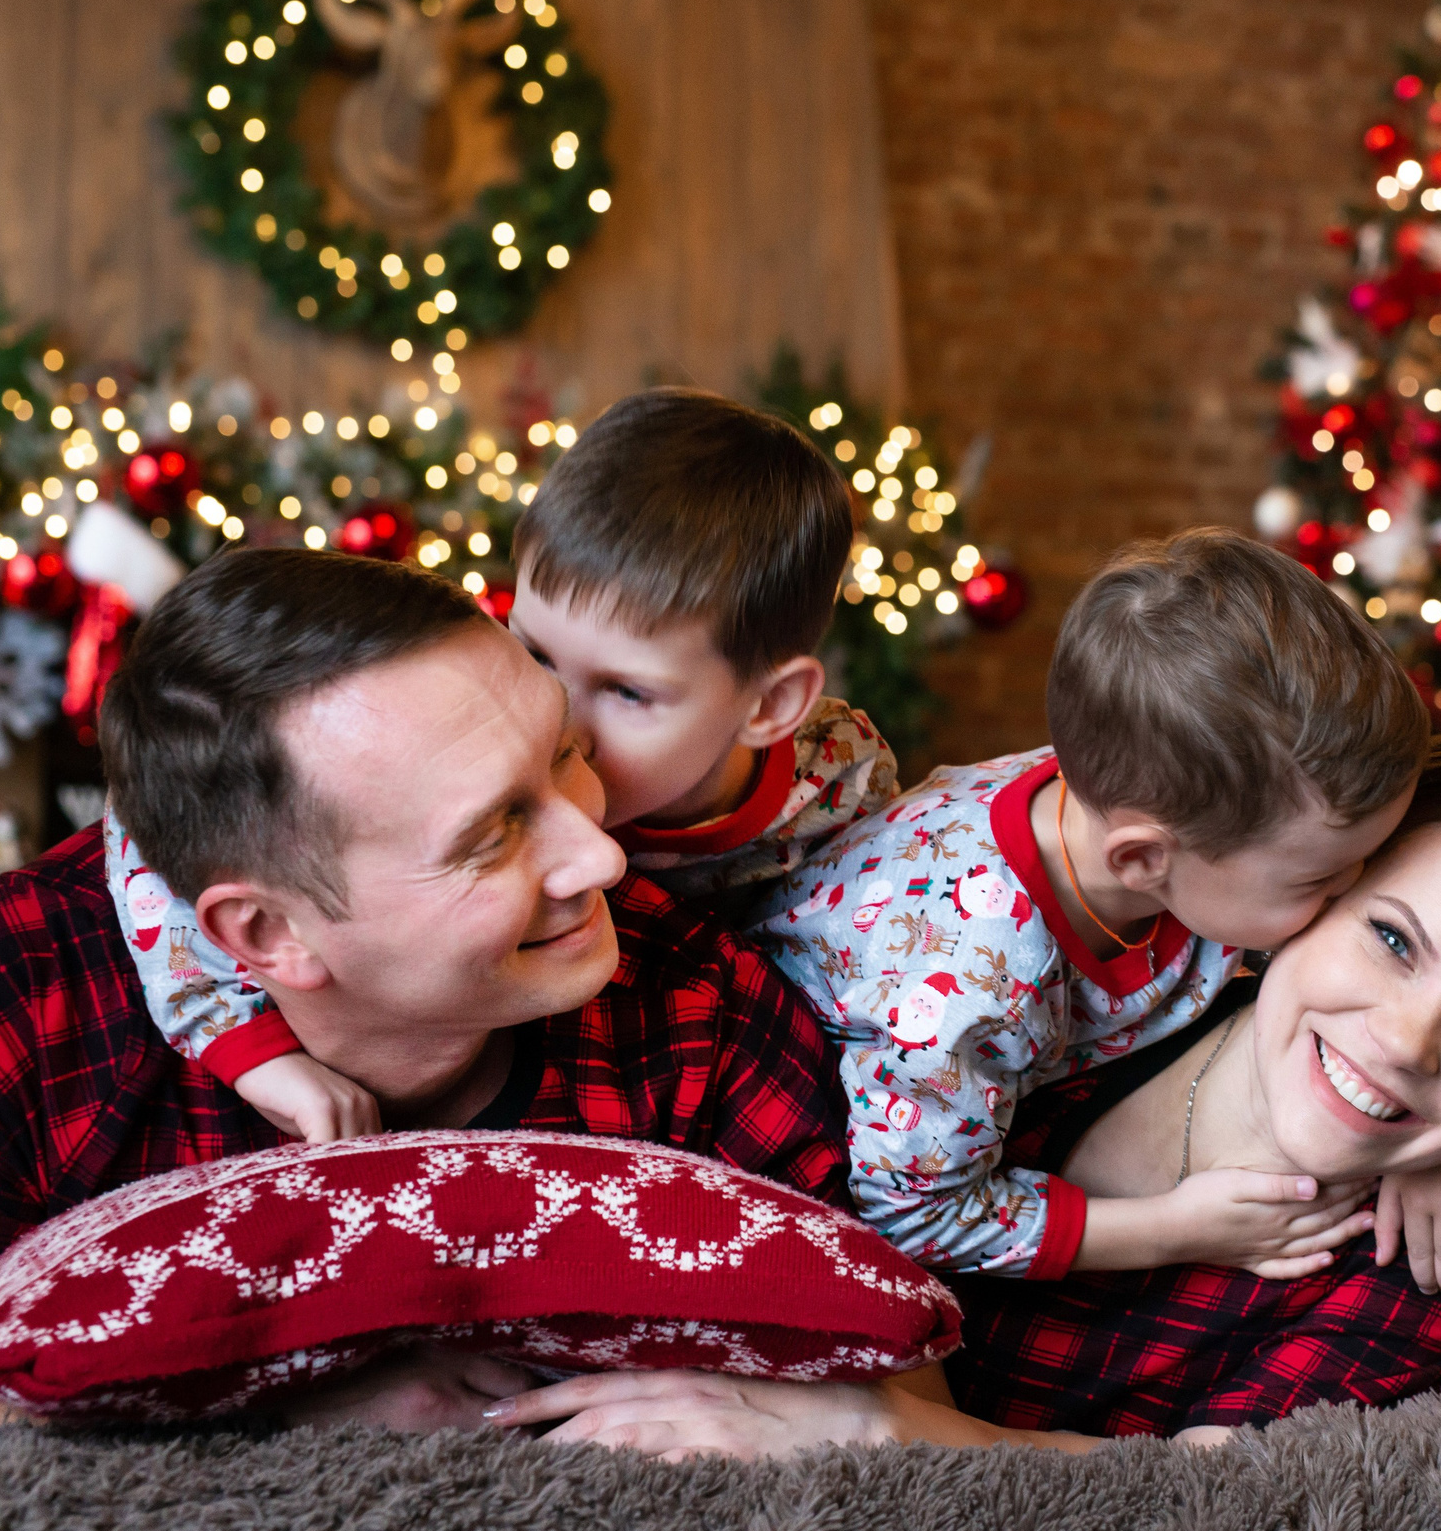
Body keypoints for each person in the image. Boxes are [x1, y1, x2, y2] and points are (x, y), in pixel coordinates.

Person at [0, 548, 848, 1435]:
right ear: (269, 934)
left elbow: (895, 1403)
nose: (603, 855)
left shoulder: (697, 1000)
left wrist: (817, 1419)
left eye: (565, 753)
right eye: (493, 832)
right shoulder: (35, 987)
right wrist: (274, 1420)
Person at [484, 726, 1441, 1455]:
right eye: (1393, 939)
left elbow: (1240, 1497)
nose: (1407, 1041)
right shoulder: (1093, 949)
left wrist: (874, 1426)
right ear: (1308, 887)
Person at [106, 388, 896, 1142]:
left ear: (770, 705)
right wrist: (247, 1048)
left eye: (626, 691)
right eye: (536, 650)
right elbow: (172, 818)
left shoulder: (841, 793)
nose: (557, 709)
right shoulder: (456, 701)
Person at [755, 529, 1441, 1293]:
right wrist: (1176, 1227)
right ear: (1143, 860)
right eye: (1320, 878)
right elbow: (916, 1213)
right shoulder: (976, 990)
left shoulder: (1149, 794)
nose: (1355, 889)